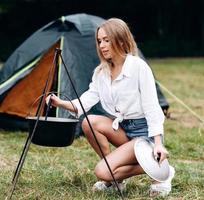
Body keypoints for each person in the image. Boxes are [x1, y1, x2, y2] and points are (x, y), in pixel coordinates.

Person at [46, 18, 175, 197]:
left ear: (121, 40)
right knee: (89, 122)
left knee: (102, 172)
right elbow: (84, 103)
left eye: (107, 40)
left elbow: (152, 108)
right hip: (123, 128)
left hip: (144, 132)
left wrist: (158, 144)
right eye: (99, 41)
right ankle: (118, 179)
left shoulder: (138, 67)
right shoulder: (101, 72)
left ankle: (162, 171)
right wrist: (59, 103)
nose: (102, 46)